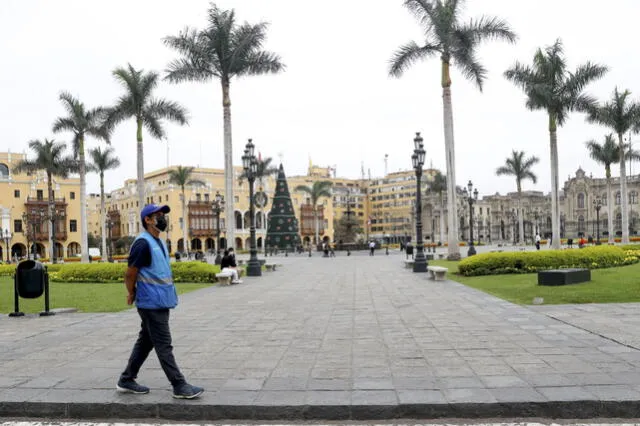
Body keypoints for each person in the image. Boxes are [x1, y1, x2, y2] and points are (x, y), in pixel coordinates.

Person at [117, 204, 204, 399]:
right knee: (164, 344)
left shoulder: (159, 242)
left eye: (163, 215)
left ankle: (126, 379)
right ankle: (179, 385)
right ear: (147, 220)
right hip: (150, 302)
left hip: (160, 300)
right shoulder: (142, 243)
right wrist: (130, 293)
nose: (162, 218)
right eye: (158, 215)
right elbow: (130, 273)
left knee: (146, 341)